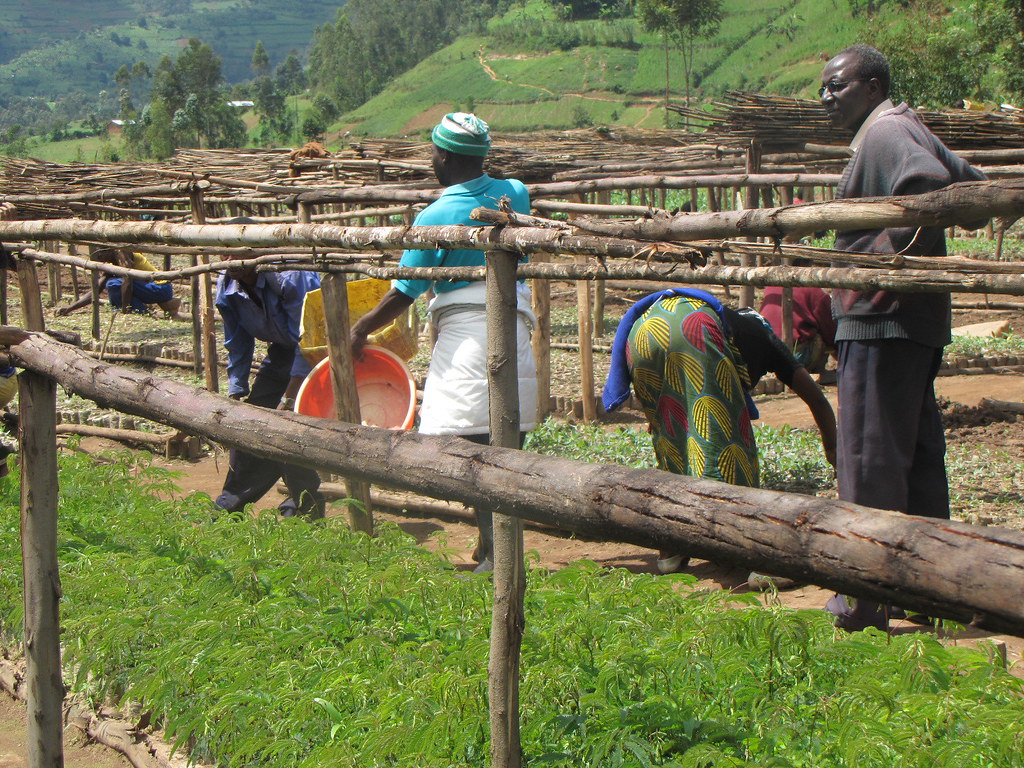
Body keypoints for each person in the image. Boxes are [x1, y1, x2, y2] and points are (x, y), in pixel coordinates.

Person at [818, 45, 986, 631]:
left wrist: (889, 255)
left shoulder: (885, 131)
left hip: (879, 317)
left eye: (835, 86)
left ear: (869, 85)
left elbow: (931, 181)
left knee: (867, 459)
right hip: (911, 321)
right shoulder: (904, 123)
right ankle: (931, 590)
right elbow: (972, 186)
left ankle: (865, 599)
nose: (826, 97)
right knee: (914, 457)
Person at [350, 113, 538, 574]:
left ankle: (497, 558)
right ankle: (493, 545)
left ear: (447, 158)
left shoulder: (434, 216)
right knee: (505, 441)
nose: (432, 160)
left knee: (473, 451)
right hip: (513, 325)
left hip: (468, 340)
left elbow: (406, 289)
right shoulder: (514, 192)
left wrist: (360, 329)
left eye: (435, 152)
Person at [603, 288, 836, 583]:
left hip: (642, 332)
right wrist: (833, 450)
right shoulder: (766, 338)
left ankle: (671, 548)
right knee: (729, 447)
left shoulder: (740, 326)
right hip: (694, 327)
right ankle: (756, 558)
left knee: (672, 440)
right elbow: (816, 399)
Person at [213, 219, 325, 519]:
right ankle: (230, 505)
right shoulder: (228, 284)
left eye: (239, 252)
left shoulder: (290, 277)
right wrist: (236, 391)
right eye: (224, 252)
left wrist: (289, 397)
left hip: (322, 349)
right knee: (251, 425)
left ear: (261, 249)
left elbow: (309, 336)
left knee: (291, 428)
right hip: (283, 352)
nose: (230, 260)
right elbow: (237, 340)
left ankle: (304, 505)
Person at [55, 247, 188, 320]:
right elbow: (94, 292)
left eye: (101, 257)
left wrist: (124, 309)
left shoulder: (123, 254)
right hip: (150, 289)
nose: (101, 261)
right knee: (112, 283)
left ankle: (134, 311)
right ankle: (142, 311)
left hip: (160, 288)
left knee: (114, 284)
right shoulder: (112, 266)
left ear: (107, 250)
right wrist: (69, 308)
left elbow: (127, 281)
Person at [758, 285, 836, 373]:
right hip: (793, 354)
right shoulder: (815, 291)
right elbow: (830, 329)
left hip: (764, 350)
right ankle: (812, 373)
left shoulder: (772, 285)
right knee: (818, 338)